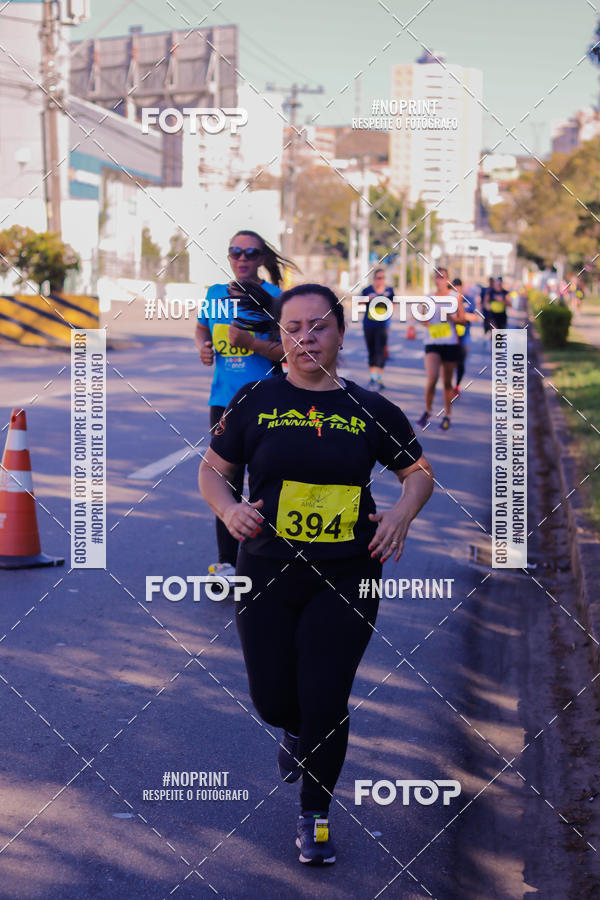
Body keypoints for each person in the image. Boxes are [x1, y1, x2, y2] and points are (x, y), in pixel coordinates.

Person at [198, 283, 433, 866]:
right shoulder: (253, 399)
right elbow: (212, 470)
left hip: (348, 572)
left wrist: (402, 514)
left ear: (340, 333)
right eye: (294, 327)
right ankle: (295, 733)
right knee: (275, 700)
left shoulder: (371, 409)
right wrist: (229, 509)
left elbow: (419, 471)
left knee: (326, 696)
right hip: (267, 570)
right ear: (280, 335)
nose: (306, 338)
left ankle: (316, 814)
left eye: (319, 326)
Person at [194, 230, 296, 580]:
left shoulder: (277, 298)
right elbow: (201, 328)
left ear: (262, 258)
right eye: (235, 251)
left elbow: (287, 351)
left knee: (270, 479)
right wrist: (203, 346)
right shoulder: (215, 294)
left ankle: (270, 557)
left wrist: (249, 342)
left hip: (268, 401)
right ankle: (226, 563)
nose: (242, 259)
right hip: (224, 401)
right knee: (226, 482)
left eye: (250, 253)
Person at [416, 267, 466, 431]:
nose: (439, 280)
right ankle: (428, 410)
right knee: (432, 377)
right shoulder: (429, 298)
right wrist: (426, 321)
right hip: (433, 341)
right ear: (434, 280)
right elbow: (422, 318)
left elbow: (463, 320)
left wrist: (452, 318)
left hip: (450, 343)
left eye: (443, 277)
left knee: (447, 382)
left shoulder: (454, 297)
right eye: (437, 277)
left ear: (448, 280)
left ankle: (447, 415)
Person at [361, 267, 393, 390]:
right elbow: (358, 302)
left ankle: (378, 378)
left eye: (383, 278)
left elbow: (393, 305)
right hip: (369, 325)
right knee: (372, 351)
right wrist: (368, 299)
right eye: (379, 278)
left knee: (380, 352)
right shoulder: (367, 290)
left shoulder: (389, 291)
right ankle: (373, 377)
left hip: (383, 325)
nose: (381, 280)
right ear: (374, 279)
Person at [452, 278, 480, 397]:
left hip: (464, 337)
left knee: (461, 363)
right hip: (450, 337)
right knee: (449, 363)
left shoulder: (469, 300)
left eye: (458, 289)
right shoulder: (448, 300)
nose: (457, 291)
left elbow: (475, 317)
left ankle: (457, 385)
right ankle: (448, 385)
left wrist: (462, 316)